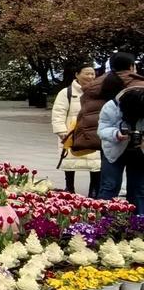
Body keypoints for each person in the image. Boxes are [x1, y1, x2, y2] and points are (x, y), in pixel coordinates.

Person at [72, 51, 142, 193]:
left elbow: (89, 111)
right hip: (138, 140)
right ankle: (138, 214)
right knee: (138, 188)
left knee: (108, 185)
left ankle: (104, 213)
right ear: (131, 66)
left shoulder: (97, 84)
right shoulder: (139, 84)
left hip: (110, 140)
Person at [51, 63, 101, 195]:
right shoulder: (66, 93)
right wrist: (62, 132)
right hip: (72, 133)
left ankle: (94, 190)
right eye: (87, 73)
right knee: (70, 161)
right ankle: (69, 187)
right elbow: (58, 113)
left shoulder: (98, 91)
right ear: (77, 75)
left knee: (95, 163)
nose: (90, 76)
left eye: (92, 73)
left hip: (93, 132)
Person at [98, 84, 144, 214]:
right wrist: (115, 134)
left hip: (140, 152)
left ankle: (139, 222)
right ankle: (102, 221)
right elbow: (101, 130)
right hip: (114, 150)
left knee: (139, 189)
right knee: (109, 186)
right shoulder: (111, 106)